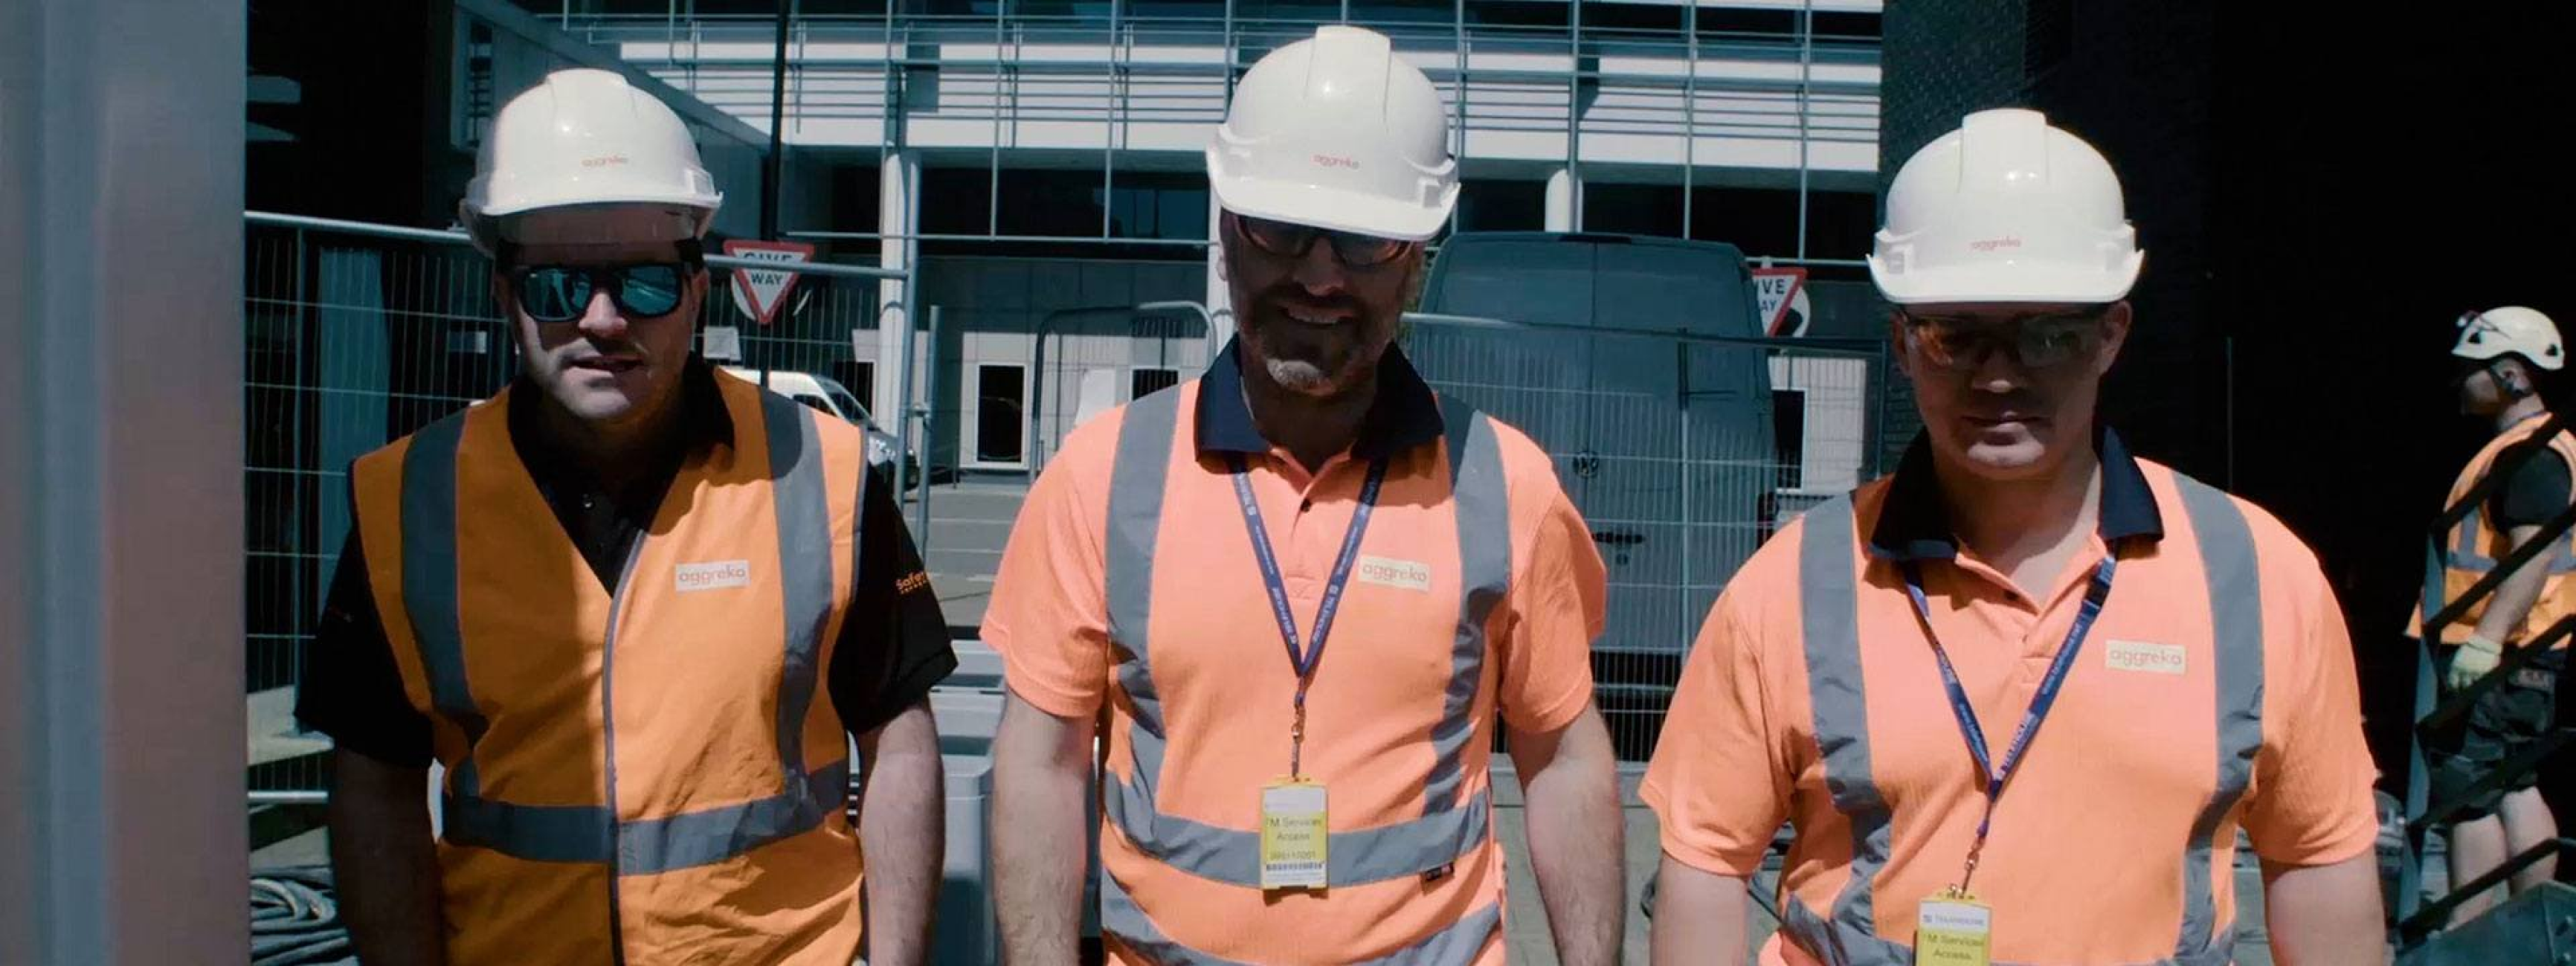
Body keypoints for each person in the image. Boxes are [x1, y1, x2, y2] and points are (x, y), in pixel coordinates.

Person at [1642, 107, 2386, 965]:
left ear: (2110, 337)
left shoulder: (2254, 575)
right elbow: (1704, 862)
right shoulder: (1796, 582)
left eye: (2046, 333)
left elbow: (2318, 861)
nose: (1998, 374)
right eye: (1955, 335)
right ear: (1902, 345)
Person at [981, 25, 1626, 966]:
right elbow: (1039, 765)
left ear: (1417, 257)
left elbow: (1563, 759)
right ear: (1225, 229)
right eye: (1279, 228)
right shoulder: (1103, 476)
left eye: (1366, 240)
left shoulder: (1502, 484)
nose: (1320, 275)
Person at [293, 68, 953, 965]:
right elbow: (374, 780)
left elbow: (899, 741)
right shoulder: (409, 501)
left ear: (696, 288)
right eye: (558, 287)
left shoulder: (825, 475)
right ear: (503, 294)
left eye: (643, 284)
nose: (603, 320)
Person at [2421, 305, 2573, 922]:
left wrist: (2485, 639)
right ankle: (2530, 921)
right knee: (2515, 783)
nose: (2462, 382)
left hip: (2499, 650)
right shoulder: (2549, 445)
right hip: (2531, 647)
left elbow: (2534, 550)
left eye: (2474, 370)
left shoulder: (2528, 451)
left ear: (2511, 374)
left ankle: (2472, 928)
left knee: (2470, 793)